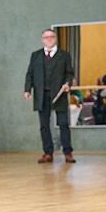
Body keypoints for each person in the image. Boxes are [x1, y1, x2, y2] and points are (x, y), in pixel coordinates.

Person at [24, 29, 75, 163]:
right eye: (46, 37)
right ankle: (48, 153)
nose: (49, 39)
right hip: (41, 94)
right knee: (44, 125)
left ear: (55, 38)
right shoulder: (35, 55)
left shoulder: (64, 55)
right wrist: (27, 90)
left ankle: (68, 152)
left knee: (63, 124)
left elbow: (70, 73)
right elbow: (30, 74)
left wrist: (67, 84)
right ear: (42, 40)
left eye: (51, 37)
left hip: (59, 94)